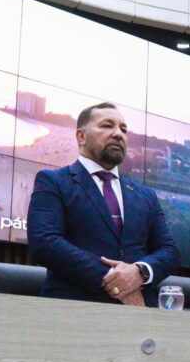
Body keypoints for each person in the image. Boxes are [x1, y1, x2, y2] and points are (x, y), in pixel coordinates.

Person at [27, 102, 179, 306]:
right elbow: (44, 242)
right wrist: (117, 281)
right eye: (107, 126)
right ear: (81, 136)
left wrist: (140, 272)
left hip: (139, 313)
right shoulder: (54, 181)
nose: (118, 134)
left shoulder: (146, 195)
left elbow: (169, 250)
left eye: (123, 129)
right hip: (72, 312)